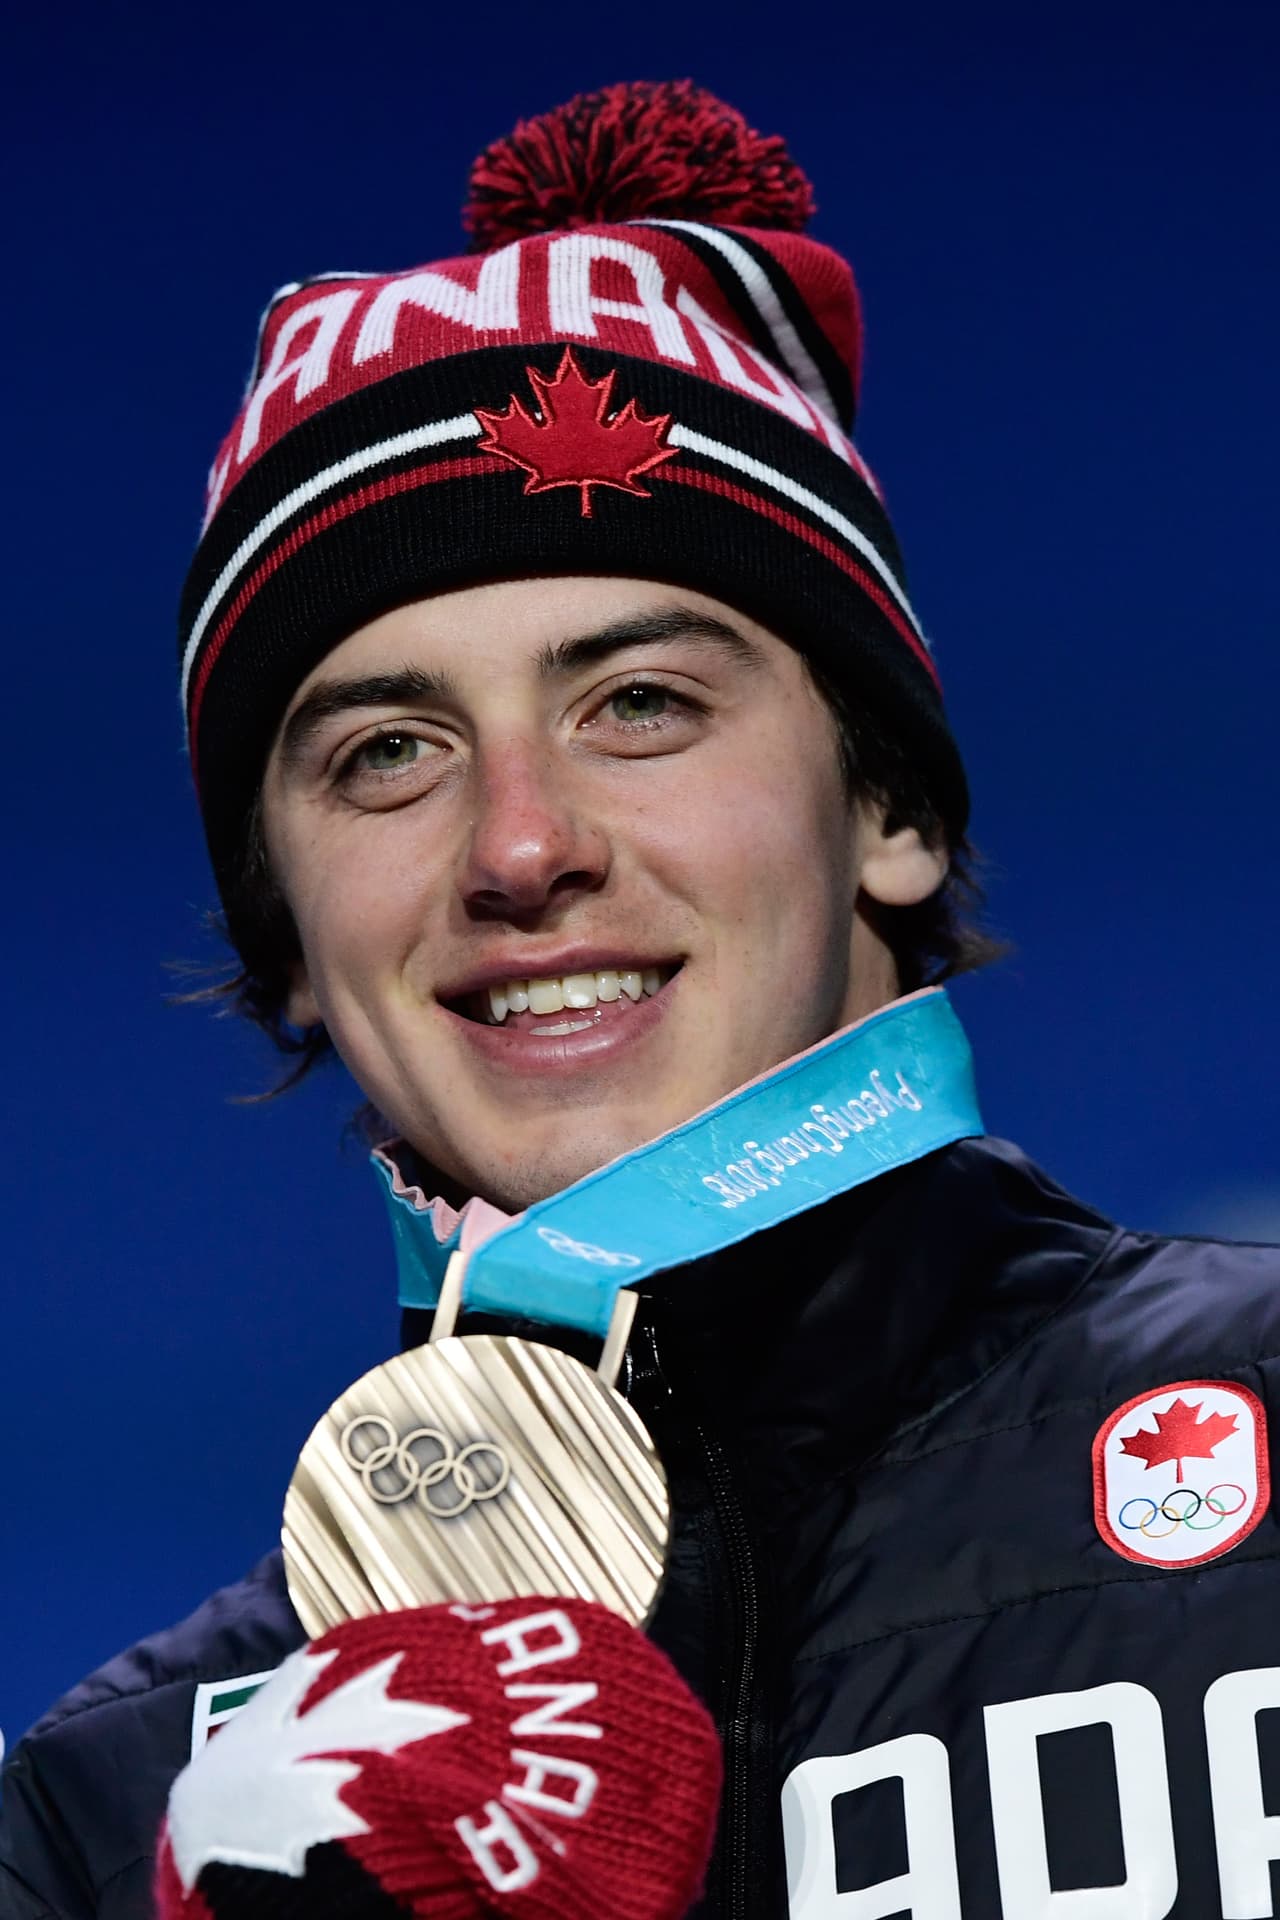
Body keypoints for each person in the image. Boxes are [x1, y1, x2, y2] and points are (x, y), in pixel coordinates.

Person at [3, 79, 1278, 1920]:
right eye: (385, 753)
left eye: (642, 705)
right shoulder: (119, 1811)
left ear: (893, 808)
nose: (520, 845)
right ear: (285, 934)